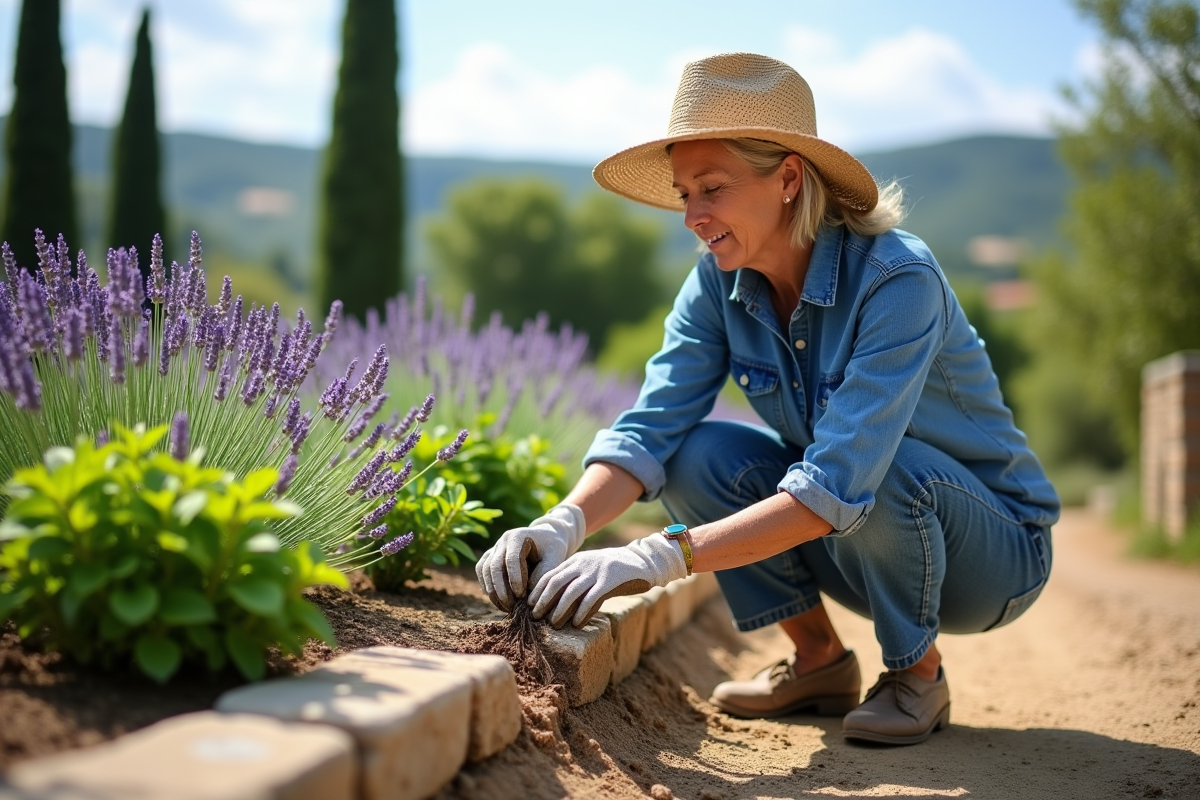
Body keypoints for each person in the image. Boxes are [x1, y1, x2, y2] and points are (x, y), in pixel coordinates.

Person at [476, 52, 1059, 746]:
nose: (692, 215)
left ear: (787, 178)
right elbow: (653, 429)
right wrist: (565, 523)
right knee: (696, 455)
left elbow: (843, 478)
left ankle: (917, 676)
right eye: (684, 192)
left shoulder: (898, 279)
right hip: (860, 538)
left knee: (882, 466)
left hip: (992, 557)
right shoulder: (716, 284)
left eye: (712, 188)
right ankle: (818, 662)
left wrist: (663, 556)